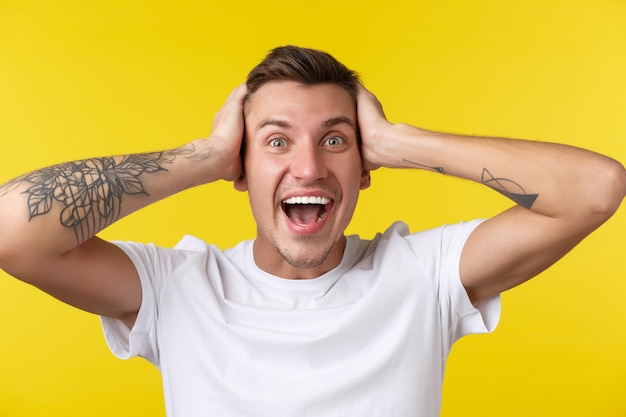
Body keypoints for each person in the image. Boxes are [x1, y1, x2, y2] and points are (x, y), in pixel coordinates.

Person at [0, 45, 624, 416]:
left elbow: (596, 190)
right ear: (242, 169)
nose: (308, 167)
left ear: (365, 169)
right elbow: (11, 231)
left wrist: (396, 139)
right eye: (275, 142)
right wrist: (206, 155)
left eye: (334, 140)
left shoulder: (423, 274)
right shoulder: (177, 287)